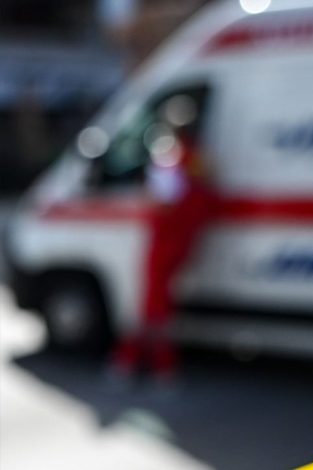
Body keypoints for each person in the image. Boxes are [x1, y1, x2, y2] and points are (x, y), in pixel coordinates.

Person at [110, 94, 218, 386]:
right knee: (157, 305)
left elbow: (163, 201)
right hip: (183, 242)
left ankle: (146, 364)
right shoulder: (199, 160)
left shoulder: (171, 158)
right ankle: (147, 364)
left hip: (164, 241)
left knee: (152, 306)